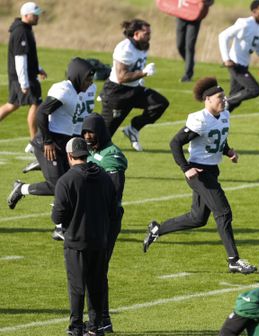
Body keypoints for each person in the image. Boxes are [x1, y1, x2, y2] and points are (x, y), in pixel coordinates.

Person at [142, 77, 257, 275]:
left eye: (223, 96)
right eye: (219, 97)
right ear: (207, 100)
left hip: (212, 170)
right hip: (199, 172)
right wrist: (186, 168)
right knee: (223, 212)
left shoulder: (224, 115)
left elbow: (218, 135)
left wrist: (228, 151)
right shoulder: (199, 119)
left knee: (197, 218)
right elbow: (175, 143)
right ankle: (234, 260)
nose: (223, 100)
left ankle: (156, 230)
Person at [51, 137, 116, 336]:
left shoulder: (66, 180)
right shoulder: (104, 176)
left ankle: (76, 332)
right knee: (96, 285)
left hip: (77, 241)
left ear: (70, 156)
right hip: (100, 240)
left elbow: (57, 217)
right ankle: (93, 330)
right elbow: (114, 209)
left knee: (77, 288)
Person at [7, 58, 95, 210]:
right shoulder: (65, 90)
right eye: (88, 79)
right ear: (77, 75)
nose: (90, 83)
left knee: (73, 183)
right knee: (57, 187)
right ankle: (21, 188)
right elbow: (41, 112)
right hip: (48, 144)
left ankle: (63, 226)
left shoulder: (74, 92)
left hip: (62, 144)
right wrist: (47, 141)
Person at [81, 114, 127, 334]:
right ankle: (103, 319)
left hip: (107, 220)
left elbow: (115, 191)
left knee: (96, 270)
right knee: (96, 270)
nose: (88, 138)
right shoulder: (91, 152)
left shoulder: (112, 155)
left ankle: (99, 319)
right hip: (95, 219)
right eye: (85, 134)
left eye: (92, 133)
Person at [100, 19, 170, 152]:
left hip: (134, 88)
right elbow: (121, 77)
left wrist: (139, 78)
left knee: (159, 103)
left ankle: (133, 129)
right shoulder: (125, 48)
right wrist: (143, 73)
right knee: (103, 137)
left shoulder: (143, 45)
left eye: (150, 33)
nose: (149, 36)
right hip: (117, 92)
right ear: (136, 34)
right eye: (146, 33)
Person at [0, 2, 46, 152]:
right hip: (24, 77)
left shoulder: (25, 29)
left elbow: (28, 56)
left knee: (12, 105)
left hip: (24, 76)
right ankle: (34, 143)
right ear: (26, 15)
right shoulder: (21, 32)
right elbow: (20, 59)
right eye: (35, 14)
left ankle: (34, 142)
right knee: (36, 104)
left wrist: (38, 68)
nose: (38, 17)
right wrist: (24, 83)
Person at [218, 0, 259, 113]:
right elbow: (223, 36)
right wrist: (226, 59)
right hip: (235, 64)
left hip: (244, 66)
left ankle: (219, 123)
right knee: (254, 90)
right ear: (254, 11)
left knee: (235, 100)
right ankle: (226, 101)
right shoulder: (245, 23)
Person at [176, 0, 214, 82]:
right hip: (181, 14)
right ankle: (190, 63)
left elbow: (211, 1)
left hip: (195, 17)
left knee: (189, 46)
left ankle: (187, 74)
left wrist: (204, 4)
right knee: (179, 45)